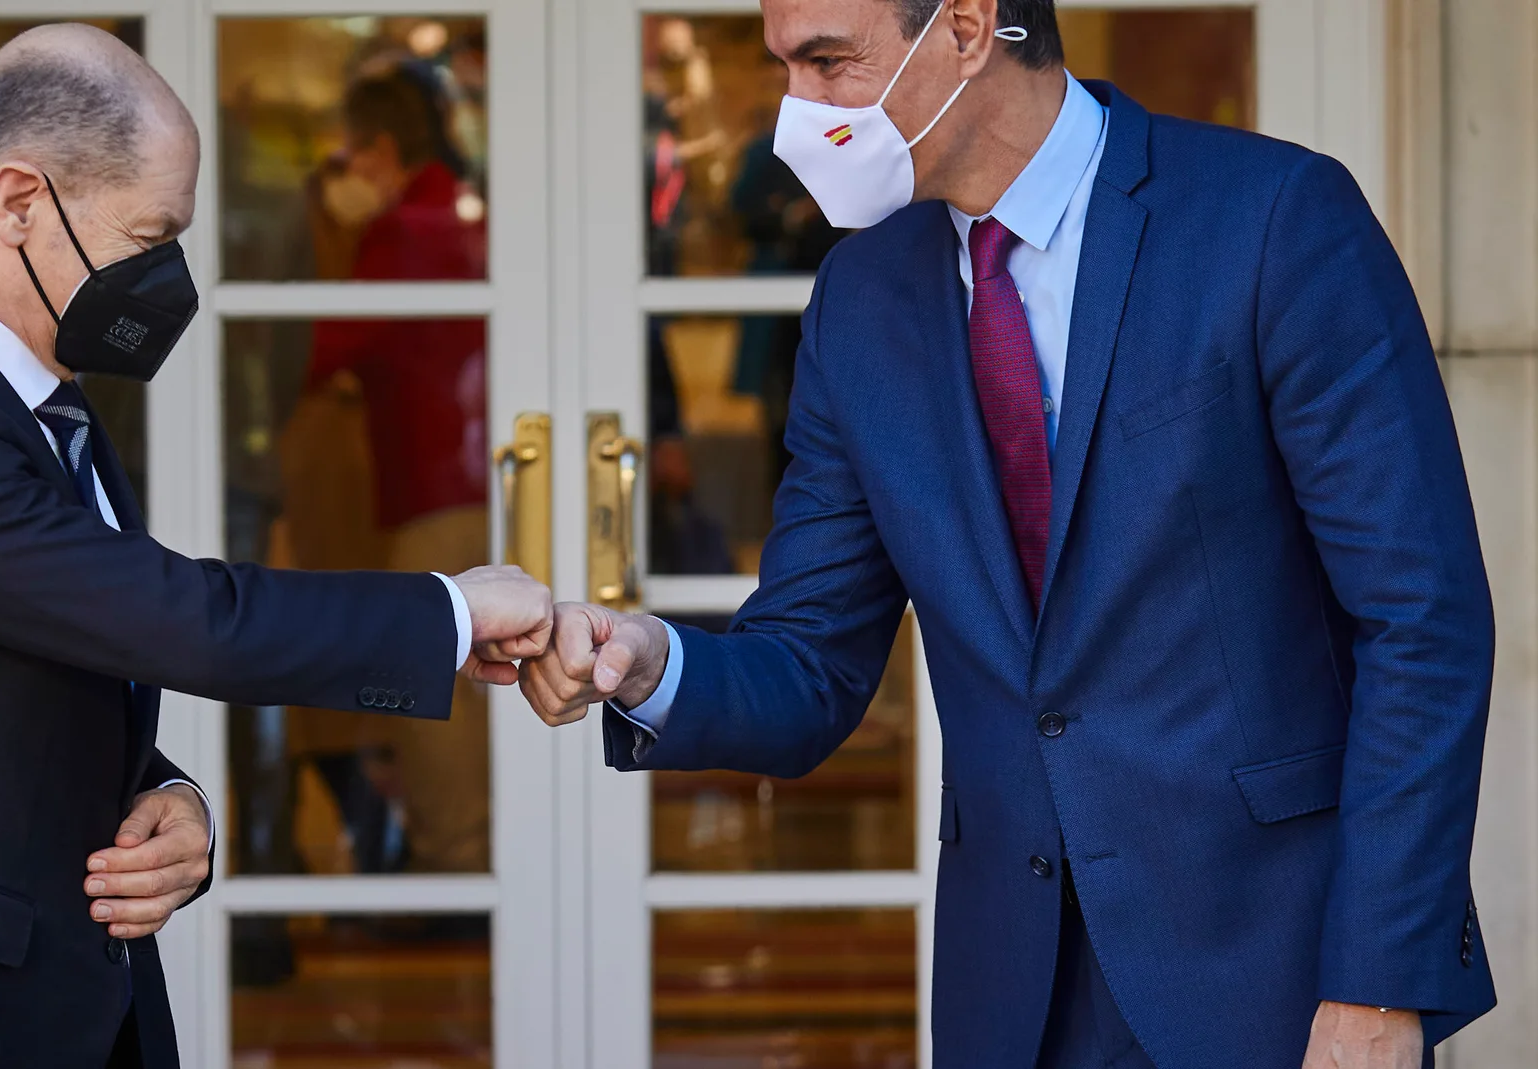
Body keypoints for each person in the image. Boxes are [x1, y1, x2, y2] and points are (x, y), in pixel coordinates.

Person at [520, 2, 1496, 1067]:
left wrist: (1379, 982)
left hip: (1274, 977)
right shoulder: (860, 299)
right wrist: (645, 660)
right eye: (783, 67)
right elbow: (806, 662)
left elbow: (1420, 622)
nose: (794, 110)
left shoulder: (1271, 219)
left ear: (970, 26)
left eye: (828, 62)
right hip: (1010, 993)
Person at [0, 25, 550, 1069]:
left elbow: (16, 670)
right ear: (19, 202)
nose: (165, 278)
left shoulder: (20, 398)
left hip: (39, 1006)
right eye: (148, 237)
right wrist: (451, 613)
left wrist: (169, 799)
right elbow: (178, 618)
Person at [305, 69, 492, 878]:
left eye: (350, 153)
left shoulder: (401, 232)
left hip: (431, 479)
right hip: (488, 472)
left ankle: (457, 865)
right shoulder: (464, 213)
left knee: (437, 690)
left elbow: (322, 351)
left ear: (381, 148)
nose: (346, 171)